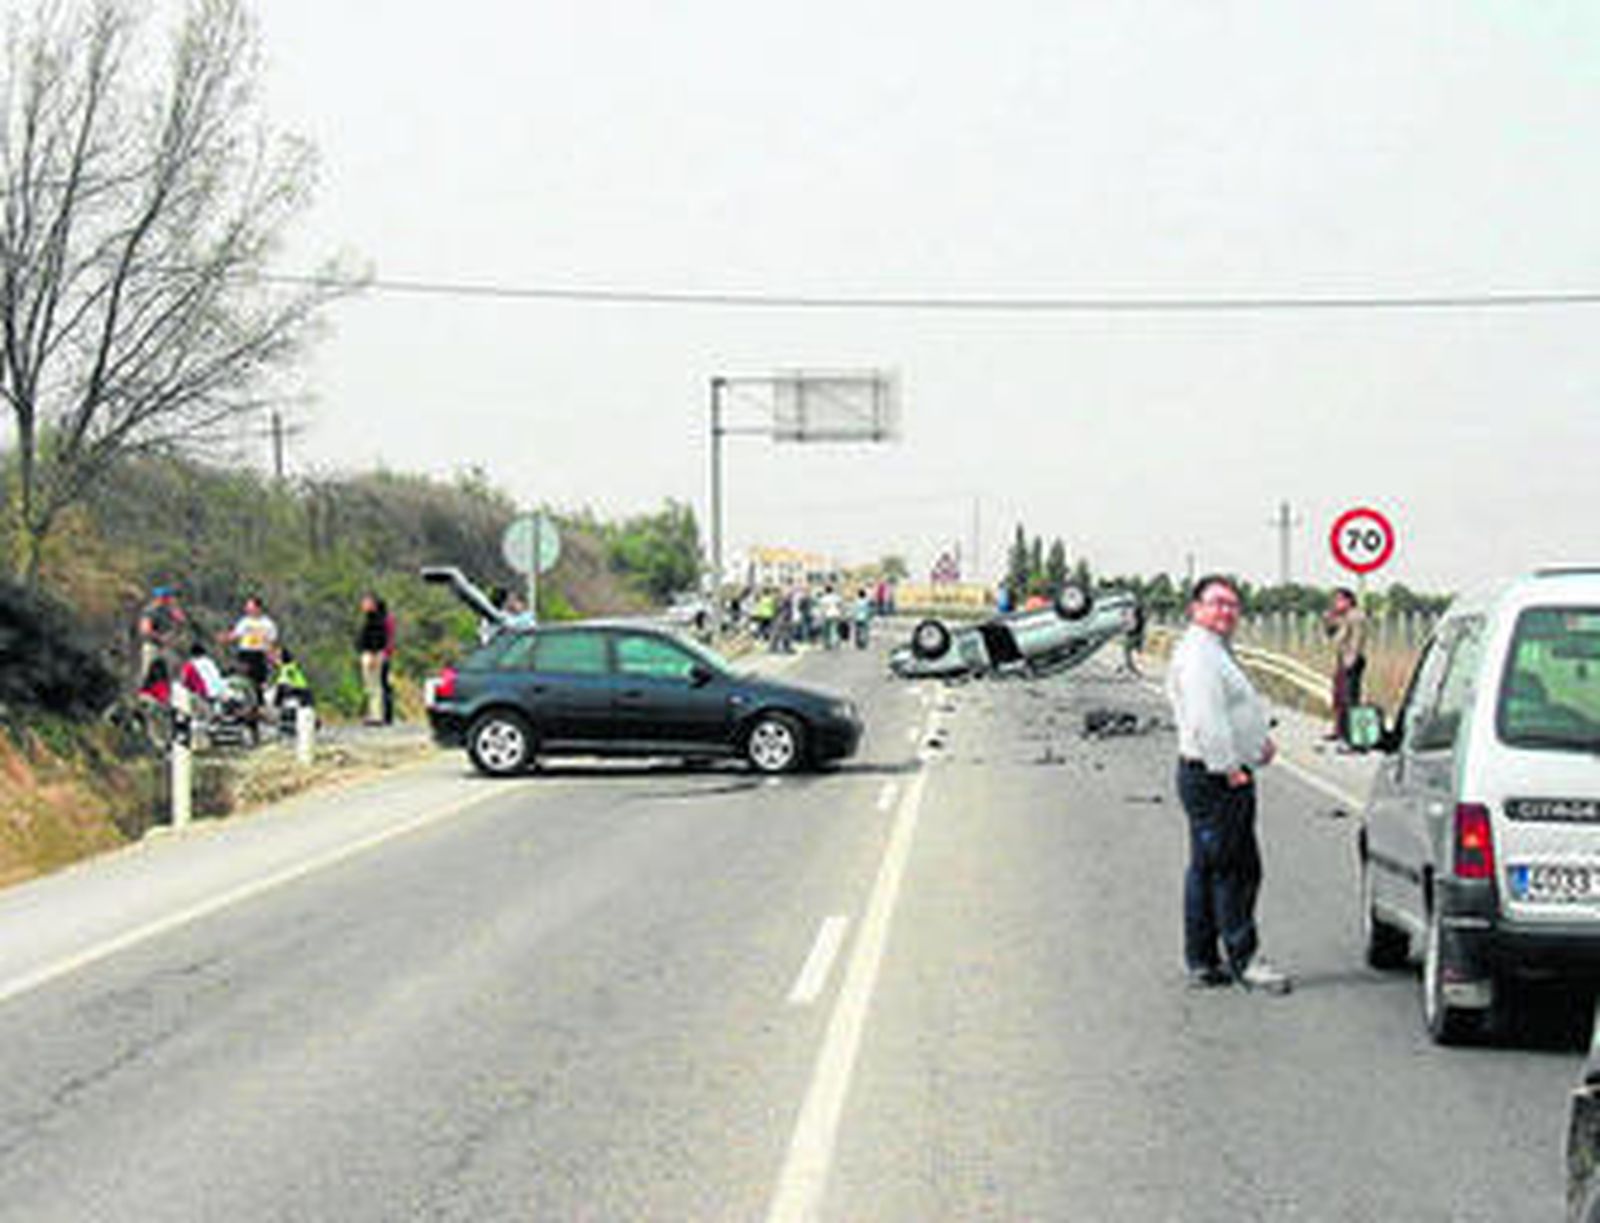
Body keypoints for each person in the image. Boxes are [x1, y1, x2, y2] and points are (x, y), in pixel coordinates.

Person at [1164, 575, 1290, 995]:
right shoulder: (1201, 655)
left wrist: (1257, 744)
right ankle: (1245, 959)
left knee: (1207, 868)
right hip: (1215, 776)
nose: (1226, 611)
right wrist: (1229, 767)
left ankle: (1202, 959)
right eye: (1217, 603)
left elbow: (1230, 711)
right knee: (1236, 870)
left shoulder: (1211, 650)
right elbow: (1205, 719)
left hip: (1210, 772)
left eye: (1233, 604)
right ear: (1195, 609)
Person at [1323, 586, 1368, 744]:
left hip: (1352, 660)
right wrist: (1329, 621)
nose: (1336, 603)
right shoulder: (1343, 617)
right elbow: (1332, 638)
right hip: (1343, 659)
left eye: (1339, 600)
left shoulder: (1355, 616)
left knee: (1349, 698)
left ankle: (1351, 734)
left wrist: (1351, 662)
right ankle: (1339, 730)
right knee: (1339, 696)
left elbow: (1355, 640)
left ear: (1348, 601)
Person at [225, 596, 279, 707]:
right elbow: (236, 635)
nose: (247, 609)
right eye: (247, 607)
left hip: (260, 654)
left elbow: (271, 642)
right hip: (245, 653)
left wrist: (272, 657)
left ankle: (259, 704)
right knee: (243, 678)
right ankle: (242, 702)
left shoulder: (268, 624)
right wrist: (225, 638)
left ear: (258, 608)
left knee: (259, 681)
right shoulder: (244, 622)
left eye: (250, 606)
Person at [136, 585, 188, 686]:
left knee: (174, 669)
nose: (170, 599)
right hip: (152, 646)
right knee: (147, 671)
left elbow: (182, 621)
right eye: (167, 597)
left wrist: (177, 614)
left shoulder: (168, 610)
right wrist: (161, 638)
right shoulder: (149, 611)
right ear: (159, 598)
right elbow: (145, 630)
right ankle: (143, 694)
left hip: (165, 647)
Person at [356, 593, 389, 725]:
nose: (363, 605)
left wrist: (374, 655)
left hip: (373, 654)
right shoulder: (370, 618)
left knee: (374, 685)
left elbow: (378, 638)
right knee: (369, 686)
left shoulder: (377, 619)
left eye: (366, 602)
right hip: (368, 653)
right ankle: (372, 713)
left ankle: (376, 715)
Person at [818, 585, 843, 650]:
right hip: (836, 614)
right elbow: (840, 606)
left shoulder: (823, 599)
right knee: (834, 628)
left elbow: (822, 608)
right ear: (832, 590)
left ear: (826, 591)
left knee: (827, 630)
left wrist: (822, 615)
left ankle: (827, 643)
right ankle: (835, 641)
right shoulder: (837, 598)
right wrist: (840, 613)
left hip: (827, 615)